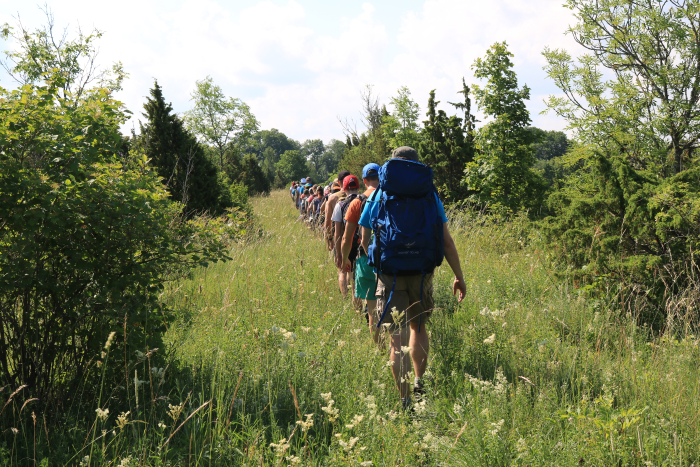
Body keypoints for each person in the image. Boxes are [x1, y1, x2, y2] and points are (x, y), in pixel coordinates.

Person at [358, 147, 467, 410]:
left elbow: (364, 240)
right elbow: (447, 242)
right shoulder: (429, 195)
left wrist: (377, 266)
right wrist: (458, 276)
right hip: (422, 272)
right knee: (418, 328)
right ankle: (419, 384)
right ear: (417, 167)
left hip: (390, 273)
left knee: (396, 337)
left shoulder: (378, 195)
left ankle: (405, 400)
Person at [340, 163, 381, 341]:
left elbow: (346, 238)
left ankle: (380, 351)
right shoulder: (392, 198)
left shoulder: (357, 202)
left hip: (366, 259)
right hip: (392, 260)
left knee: (372, 310)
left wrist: (345, 260)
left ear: (364, 181)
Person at [331, 174, 360, 300]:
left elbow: (337, 233)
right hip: (363, 243)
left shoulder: (340, 205)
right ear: (358, 187)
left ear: (344, 188)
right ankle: (358, 304)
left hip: (347, 243)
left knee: (344, 271)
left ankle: (345, 299)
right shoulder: (365, 201)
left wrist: (339, 254)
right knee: (357, 276)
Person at [324, 171, 350, 252]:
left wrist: (329, 239)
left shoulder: (332, 198)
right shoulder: (358, 196)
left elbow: (328, 222)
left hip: (338, 238)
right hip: (353, 237)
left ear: (339, 182)